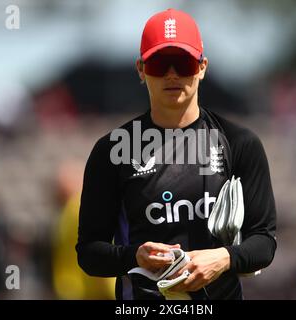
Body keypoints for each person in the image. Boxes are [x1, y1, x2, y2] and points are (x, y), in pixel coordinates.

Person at [76, 8, 277, 300]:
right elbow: (89, 252)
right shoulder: (111, 151)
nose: (172, 74)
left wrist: (222, 258)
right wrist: (135, 257)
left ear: (202, 66)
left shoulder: (240, 143)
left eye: (183, 62)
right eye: (160, 63)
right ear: (141, 70)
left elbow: (264, 242)